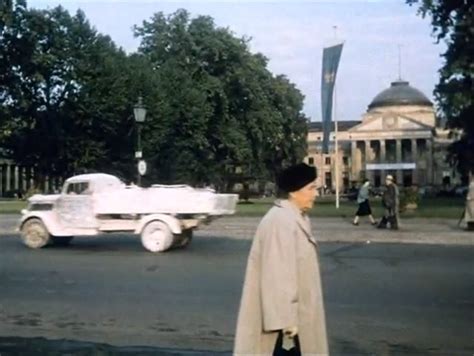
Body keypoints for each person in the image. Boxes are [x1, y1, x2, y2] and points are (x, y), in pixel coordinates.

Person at [234, 163, 328, 356]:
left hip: (296, 320)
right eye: (311, 189)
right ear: (294, 192)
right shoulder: (281, 221)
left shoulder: (295, 218)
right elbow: (277, 277)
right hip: (286, 328)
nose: (315, 194)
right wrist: (287, 321)